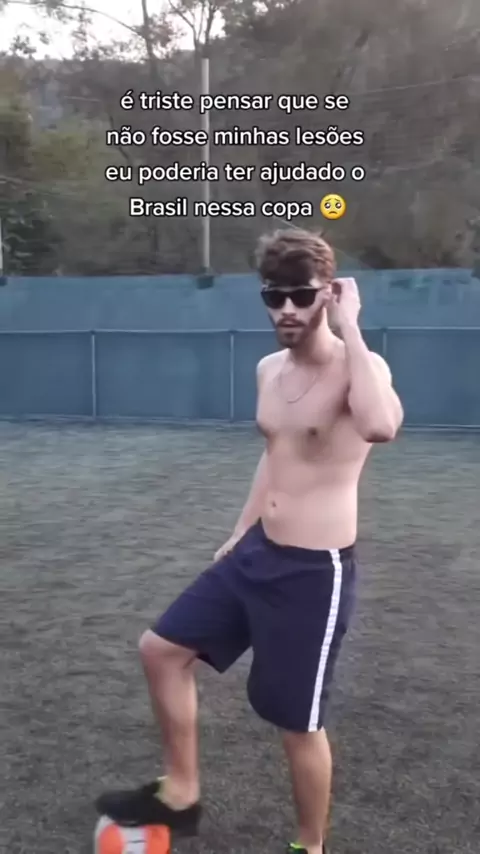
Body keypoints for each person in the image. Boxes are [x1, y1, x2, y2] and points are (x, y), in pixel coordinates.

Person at [95, 229, 404, 854]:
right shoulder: (268, 369)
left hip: (313, 574)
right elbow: (276, 452)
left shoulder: (360, 369)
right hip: (258, 552)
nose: (286, 308)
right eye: (273, 295)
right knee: (161, 650)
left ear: (327, 294)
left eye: (301, 295)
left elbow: (380, 425)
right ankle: (181, 793)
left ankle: (309, 846)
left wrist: (351, 324)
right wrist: (241, 528)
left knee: (297, 722)